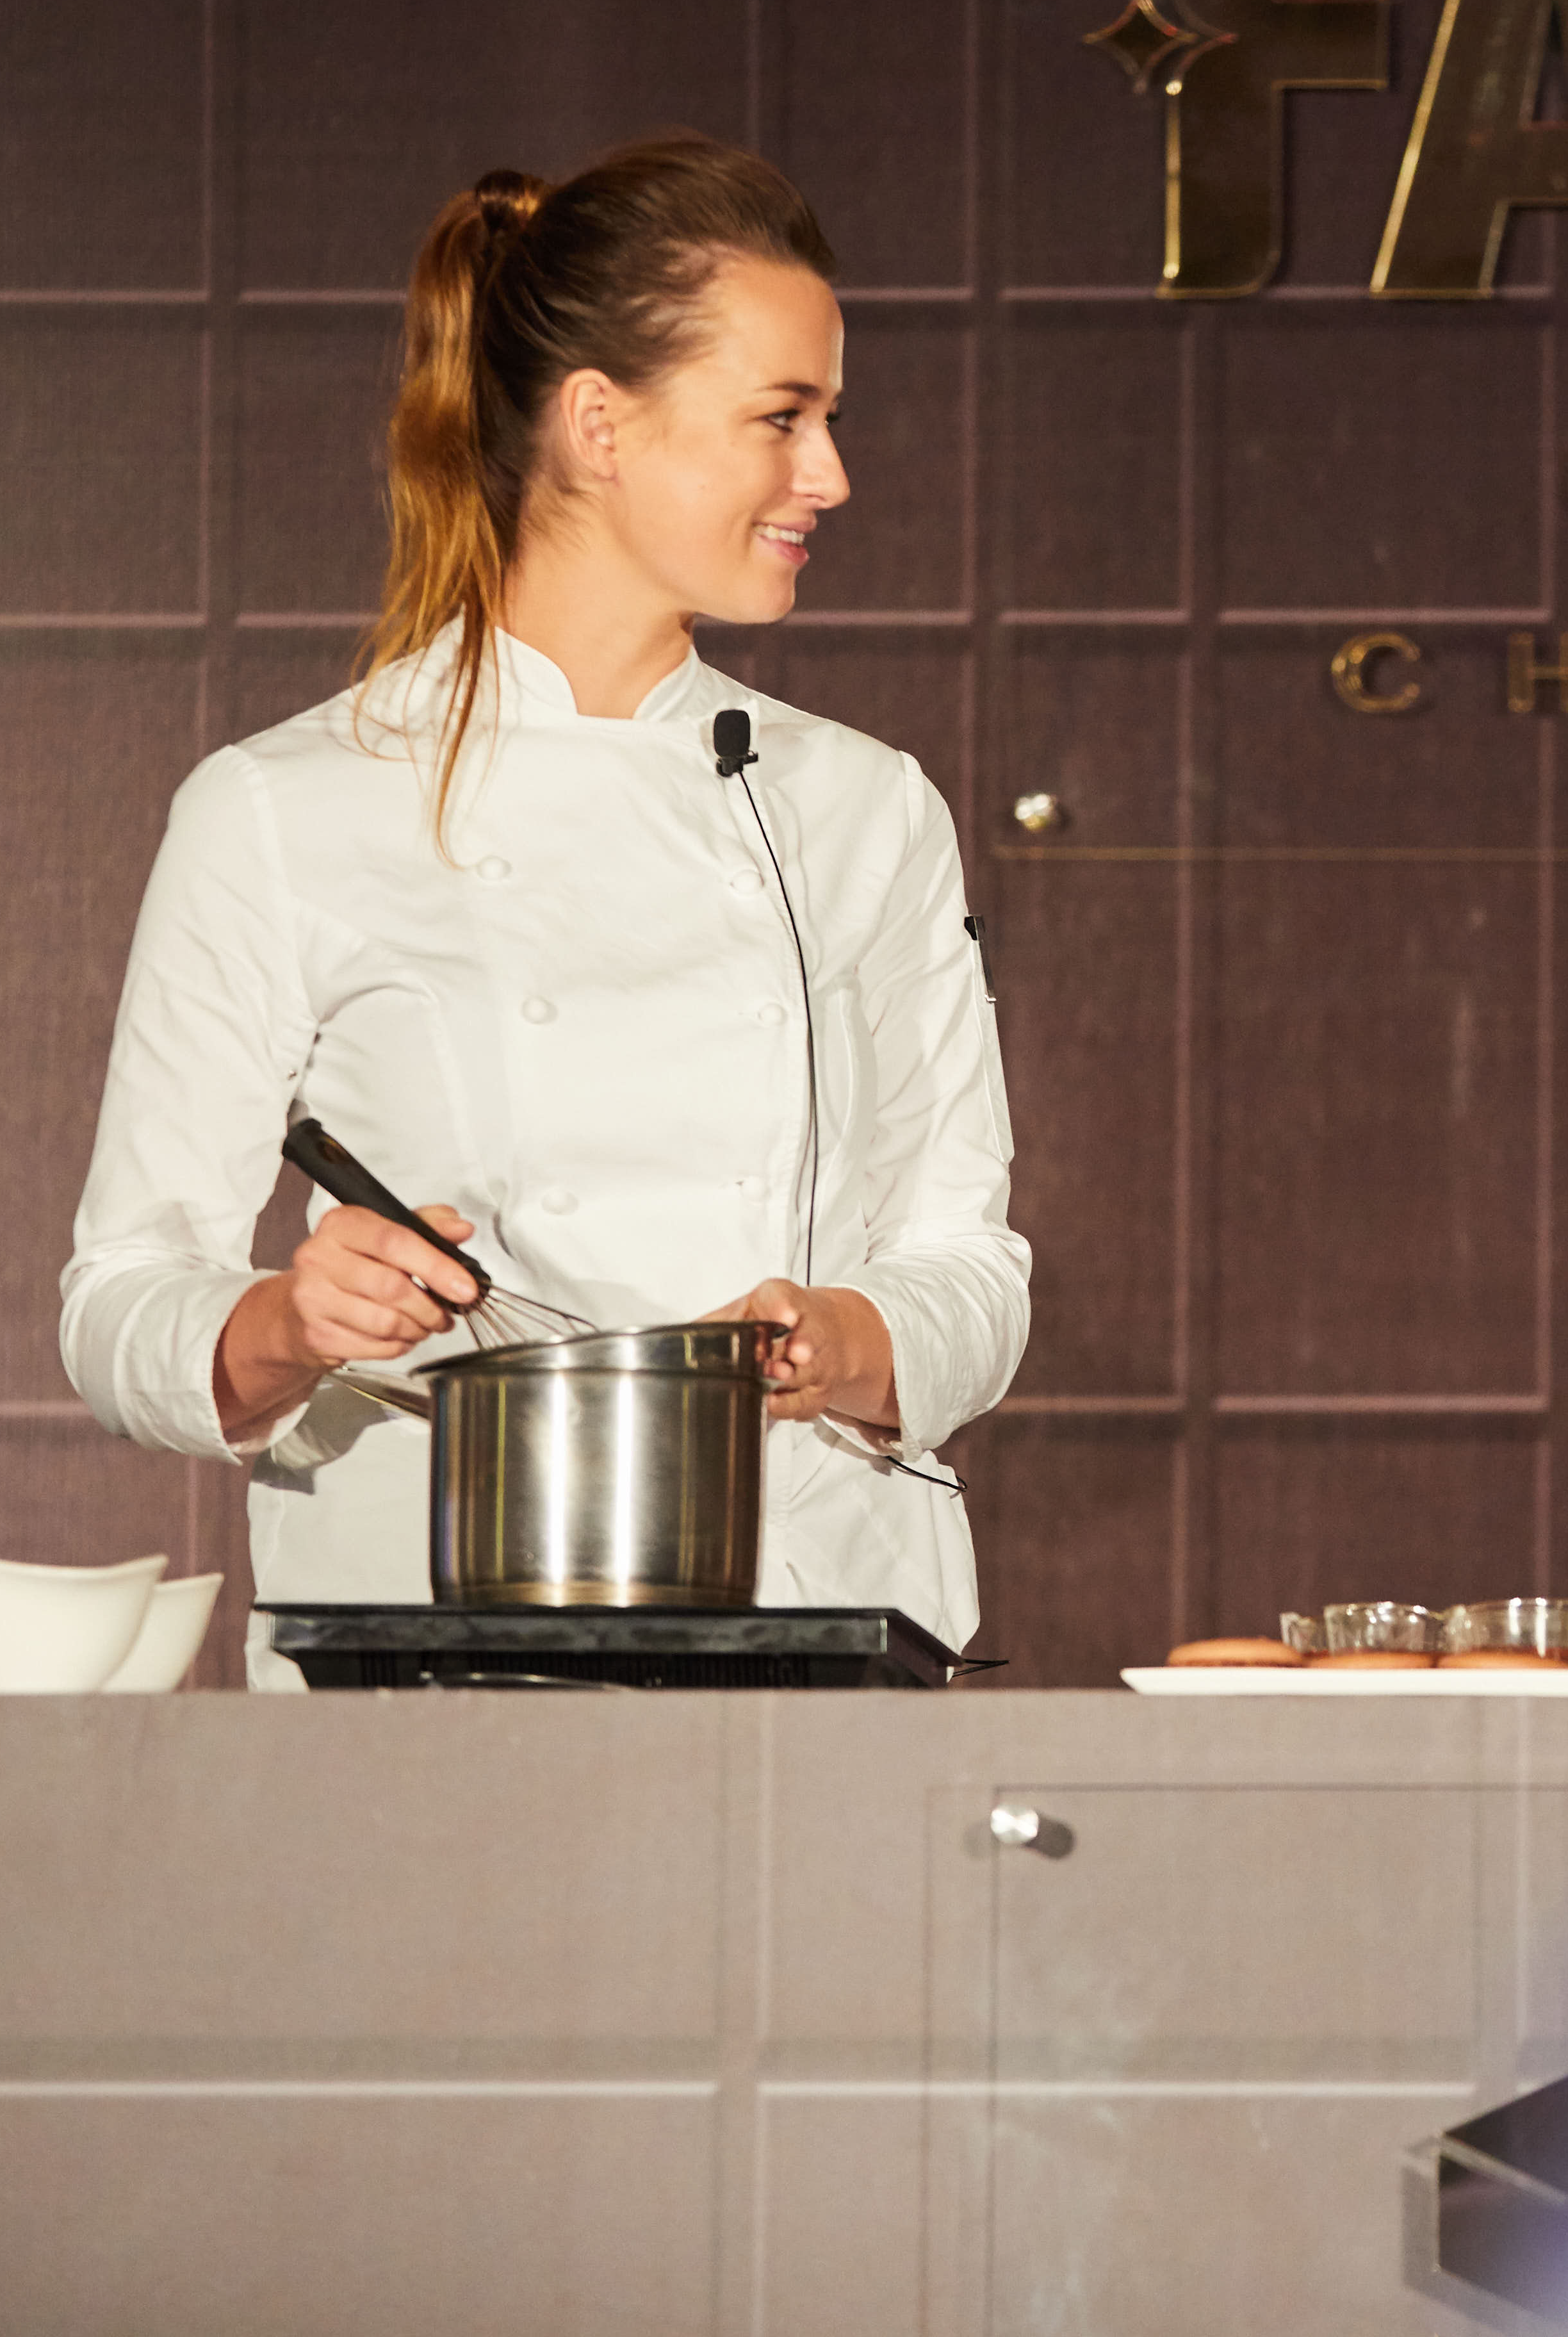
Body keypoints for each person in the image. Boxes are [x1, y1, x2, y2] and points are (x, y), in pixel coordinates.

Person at [60, 136, 1029, 1685]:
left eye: (829, 419)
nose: (830, 474)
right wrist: (294, 1318)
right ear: (597, 424)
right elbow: (122, 1296)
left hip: (820, 1620)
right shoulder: (286, 804)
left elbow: (968, 1259)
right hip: (433, 1647)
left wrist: (853, 1335)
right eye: (782, 418)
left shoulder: (867, 808)